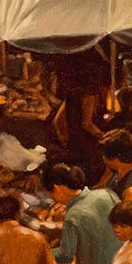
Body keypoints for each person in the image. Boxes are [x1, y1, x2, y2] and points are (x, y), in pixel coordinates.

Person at [52, 51, 106, 181]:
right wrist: (104, 136)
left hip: (74, 144)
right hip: (86, 147)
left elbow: (57, 121)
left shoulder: (72, 94)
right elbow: (87, 124)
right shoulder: (89, 95)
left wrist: (66, 140)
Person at [97, 129, 132, 211]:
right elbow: (99, 188)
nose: (102, 158)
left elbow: (125, 221)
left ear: (115, 159)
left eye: (104, 155)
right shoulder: (116, 170)